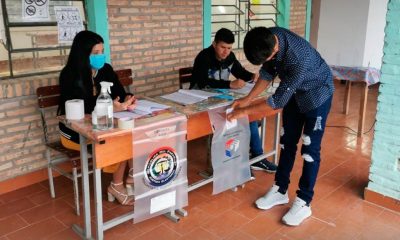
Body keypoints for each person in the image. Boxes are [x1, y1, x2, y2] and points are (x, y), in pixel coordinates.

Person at [227, 26, 334, 226]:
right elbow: (267, 75)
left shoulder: (297, 58)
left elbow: (276, 103)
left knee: (309, 150)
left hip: (317, 93)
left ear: (274, 51)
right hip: (295, 92)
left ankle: (304, 201)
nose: (267, 64)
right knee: (286, 143)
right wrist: (248, 100)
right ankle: (280, 190)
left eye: (267, 60)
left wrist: (243, 112)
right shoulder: (267, 37)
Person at [58, 30, 136, 206]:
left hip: (103, 124)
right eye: (95, 53)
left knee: (128, 134)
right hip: (73, 130)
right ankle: (117, 186)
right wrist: (109, 105)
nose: (100, 56)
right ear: (83, 54)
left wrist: (127, 99)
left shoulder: (105, 69)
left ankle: (131, 177)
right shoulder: (70, 74)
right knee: (119, 139)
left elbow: (119, 92)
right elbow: (80, 106)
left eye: (102, 52)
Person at [190, 28, 277, 176]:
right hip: (200, 100)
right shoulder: (203, 57)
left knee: (246, 114)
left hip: (221, 99)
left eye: (229, 48)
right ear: (214, 44)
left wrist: (252, 76)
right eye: (222, 47)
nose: (226, 52)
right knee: (239, 117)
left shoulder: (230, 57)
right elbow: (202, 81)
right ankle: (229, 162)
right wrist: (229, 85)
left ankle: (255, 157)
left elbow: (240, 72)